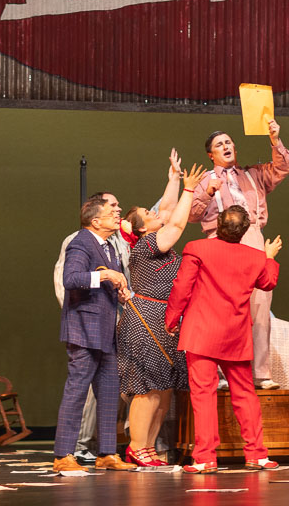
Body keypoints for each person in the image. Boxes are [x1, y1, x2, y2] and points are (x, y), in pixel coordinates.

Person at [166, 206, 284, 473]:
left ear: (218, 225)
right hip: (235, 333)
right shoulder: (255, 256)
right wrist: (269, 257)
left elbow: (182, 286)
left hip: (202, 332)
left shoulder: (197, 248)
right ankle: (257, 454)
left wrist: (171, 319)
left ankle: (205, 458)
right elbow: (268, 282)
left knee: (203, 395)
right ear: (244, 231)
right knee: (245, 394)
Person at [116, 163, 212, 467]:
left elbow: (168, 211)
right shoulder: (146, 245)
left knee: (164, 389)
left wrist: (173, 179)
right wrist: (189, 189)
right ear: (141, 228)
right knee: (146, 388)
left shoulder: (157, 244)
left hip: (165, 318)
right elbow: (177, 224)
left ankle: (149, 447)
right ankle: (136, 447)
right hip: (146, 318)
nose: (156, 212)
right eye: (149, 213)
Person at [190, 120, 289, 389]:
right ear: (210, 154)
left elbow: (282, 169)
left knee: (260, 305)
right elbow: (191, 214)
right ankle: (221, 372)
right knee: (223, 307)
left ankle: (260, 373)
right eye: (219, 144)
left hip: (253, 236)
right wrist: (207, 193)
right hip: (220, 240)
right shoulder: (205, 180)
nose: (225, 146)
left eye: (228, 142)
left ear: (235, 147)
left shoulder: (253, 175)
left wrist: (275, 140)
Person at [52, 199, 139, 473]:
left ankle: (107, 453)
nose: (117, 213)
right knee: (77, 391)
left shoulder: (108, 247)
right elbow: (71, 279)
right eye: (110, 212)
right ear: (95, 221)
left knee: (110, 392)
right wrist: (106, 276)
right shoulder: (81, 242)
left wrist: (119, 291)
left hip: (106, 330)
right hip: (84, 328)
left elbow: (104, 282)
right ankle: (63, 455)